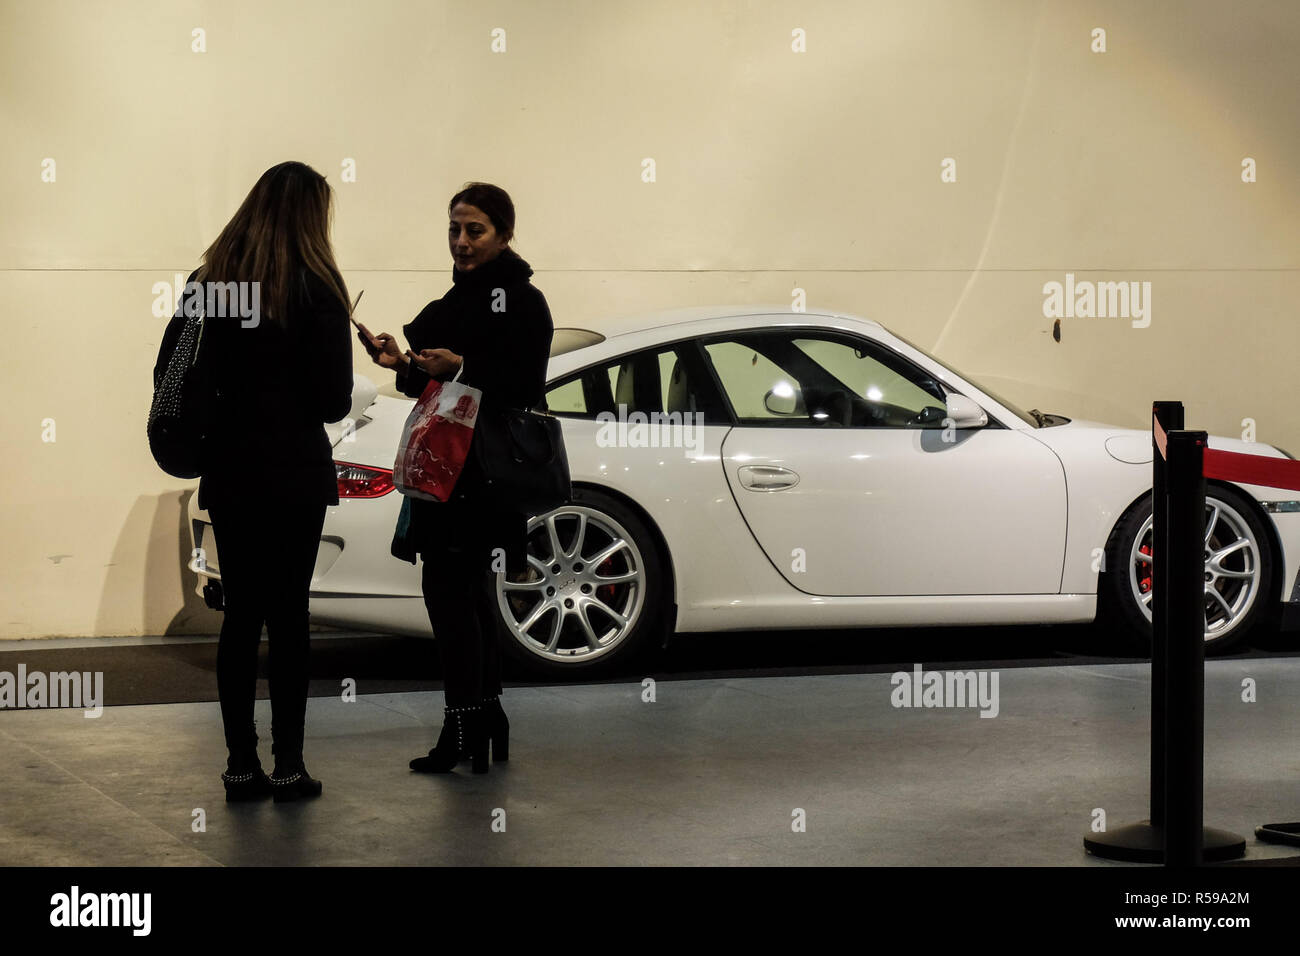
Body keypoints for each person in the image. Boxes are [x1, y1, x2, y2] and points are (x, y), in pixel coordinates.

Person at [153, 161, 354, 802]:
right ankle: (289, 764)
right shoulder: (318, 289)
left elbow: (170, 371)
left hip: (232, 471)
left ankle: (241, 763)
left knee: (240, 617)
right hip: (294, 472)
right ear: (311, 217)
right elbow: (332, 401)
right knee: (289, 619)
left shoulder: (209, 284)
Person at [358, 183, 553, 773]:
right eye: (454, 230)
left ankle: (466, 726)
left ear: (504, 235)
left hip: (482, 474)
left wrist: (463, 366)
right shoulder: (460, 298)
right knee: (463, 596)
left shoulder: (523, 300)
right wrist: (404, 365)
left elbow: (523, 384)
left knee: (453, 595)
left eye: (475, 231)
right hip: (452, 469)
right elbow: (436, 387)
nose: (462, 242)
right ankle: (481, 720)